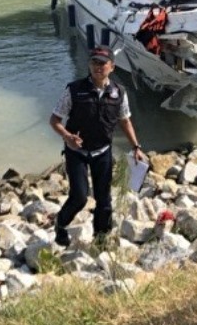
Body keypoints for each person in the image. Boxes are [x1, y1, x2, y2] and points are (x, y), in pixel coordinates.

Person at [49, 45, 144, 247]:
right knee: (80, 197)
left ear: (112, 67)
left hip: (103, 152)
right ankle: (60, 224)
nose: (97, 67)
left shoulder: (119, 93)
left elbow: (125, 121)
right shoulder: (74, 90)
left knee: (104, 200)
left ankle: (100, 239)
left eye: (102, 63)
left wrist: (136, 146)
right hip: (77, 152)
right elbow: (54, 120)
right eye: (94, 62)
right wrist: (67, 136)